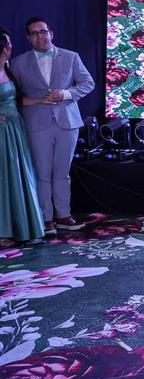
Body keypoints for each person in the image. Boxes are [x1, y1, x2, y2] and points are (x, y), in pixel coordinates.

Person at [10, 17, 95, 232]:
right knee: (42, 173)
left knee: (62, 172)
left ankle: (64, 215)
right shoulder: (18, 63)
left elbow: (88, 83)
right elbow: (13, 95)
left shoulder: (71, 57)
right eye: (35, 33)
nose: (40, 36)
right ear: (29, 38)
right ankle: (45, 218)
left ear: (51, 33)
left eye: (44, 31)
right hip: (36, 123)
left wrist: (65, 94)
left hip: (67, 122)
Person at [0, 28, 47, 247]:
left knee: (19, 176)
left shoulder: (7, 69)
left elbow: (17, 100)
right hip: (2, 132)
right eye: (8, 43)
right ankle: (3, 231)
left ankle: (22, 227)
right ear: (3, 48)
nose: (11, 46)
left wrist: (43, 100)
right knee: (4, 178)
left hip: (16, 129)